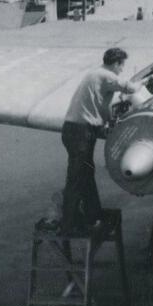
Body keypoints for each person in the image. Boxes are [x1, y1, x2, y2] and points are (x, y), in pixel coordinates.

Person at [57, 47, 135, 235]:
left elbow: (102, 106)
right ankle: (69, 224)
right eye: (121, 65)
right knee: (77, 177)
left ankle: (92, 216)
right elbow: (130, 87)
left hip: (76, 130)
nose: (122, 69)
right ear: (116, 63)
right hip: (80, 133)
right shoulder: (104, 75)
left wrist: (108, 122)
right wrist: (139, 88)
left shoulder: (94, 75)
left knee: (85, 174)